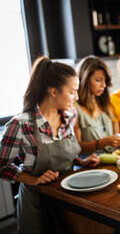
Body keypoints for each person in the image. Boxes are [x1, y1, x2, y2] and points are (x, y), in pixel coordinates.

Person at [0, 56, 100, 234]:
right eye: (72, 92)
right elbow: (2, 166)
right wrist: (34, 180)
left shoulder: (70, 115)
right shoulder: (20, 124)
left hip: (67, 196)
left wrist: (80, 162)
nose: (76, 97)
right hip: (36, 202)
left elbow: (63, 153)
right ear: (54, 92)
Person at [74, 56, 120, 158]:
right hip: (90, 166)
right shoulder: (74, 107)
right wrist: (103, 142)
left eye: (105, 80)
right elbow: (76, 148)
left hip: (111, 160)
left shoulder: (105, 102)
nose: (104, 85)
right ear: (84, 80)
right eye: (98, 80)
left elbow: (115, 137)